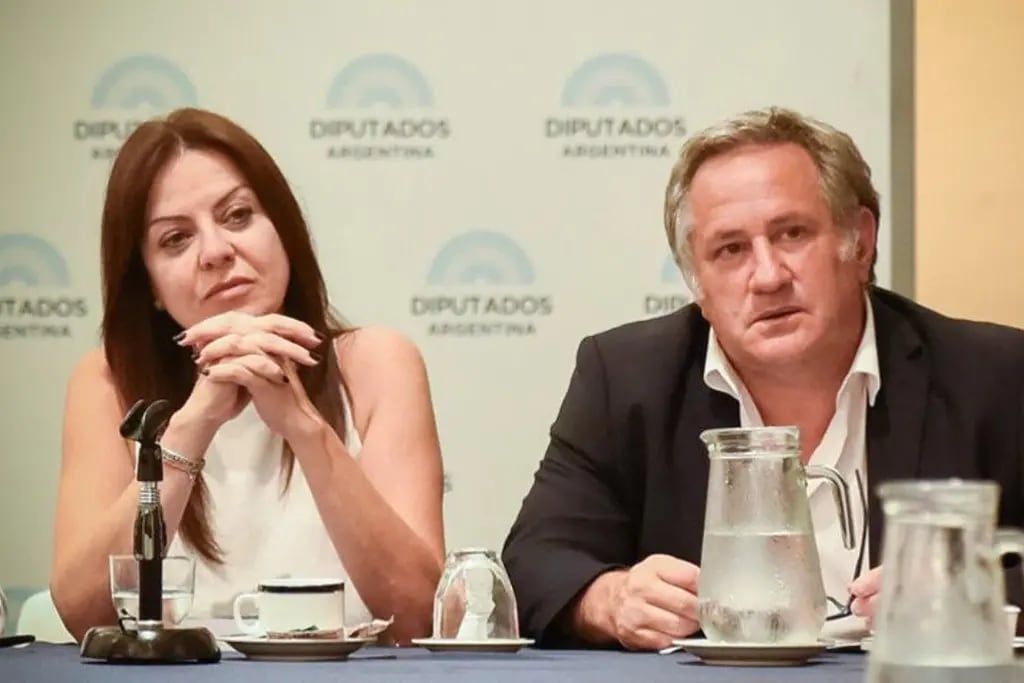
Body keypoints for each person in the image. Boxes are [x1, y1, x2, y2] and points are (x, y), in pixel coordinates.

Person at [502, 106, 1024, 650]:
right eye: (730, 250)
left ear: (860, 242)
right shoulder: (626, 378)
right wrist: (609, 600)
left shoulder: (993, 374)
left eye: (792, 234)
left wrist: (970, 592)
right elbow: (535, 561)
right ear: (695, 280)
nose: (769, 276)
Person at [50, 108, 445, 643]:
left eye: (237, 216)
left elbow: (420, 614)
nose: (216, 252)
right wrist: (192, 425)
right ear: (150, 286)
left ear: (283, 230)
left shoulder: (376, 363)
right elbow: (84, 614)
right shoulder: (107, 382)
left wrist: (304, 427)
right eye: (175, 239)